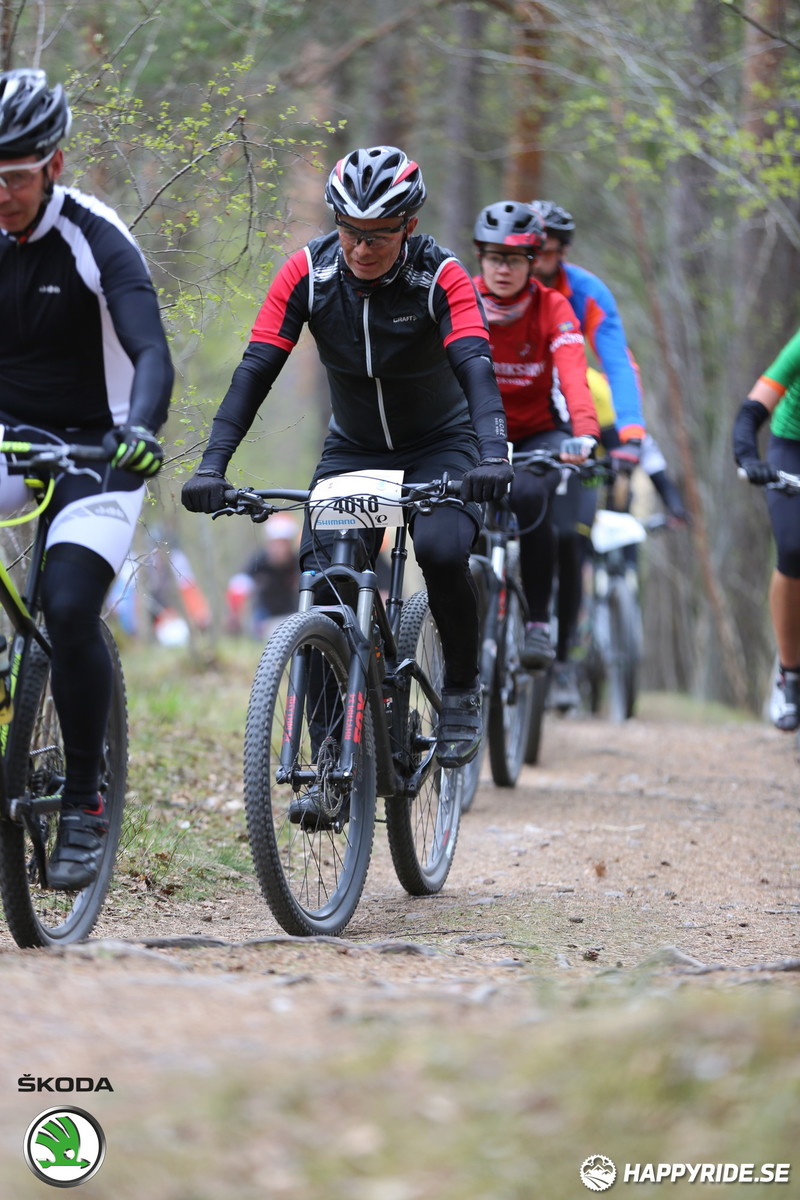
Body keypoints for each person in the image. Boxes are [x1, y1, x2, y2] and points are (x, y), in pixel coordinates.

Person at [182, 145, 513, 818]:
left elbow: (477, 367)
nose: (362, 248)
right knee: (327, 586)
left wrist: (492, 454)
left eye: (379, 236)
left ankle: (463, 688)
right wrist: (213, 464)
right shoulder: (308, 272)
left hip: (440, 444)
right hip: (354, 448)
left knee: (446, 550)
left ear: (408, 228)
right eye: (350, 231)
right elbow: (255, 370)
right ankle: (332, 762)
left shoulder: (440, 275)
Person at [0, 69, 174, 887]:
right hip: (9, 441)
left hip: (97, 448)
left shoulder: (97, 238)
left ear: (54, 165)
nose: (1, 192)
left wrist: (139, 431)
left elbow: (150, 353)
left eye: (15, 176)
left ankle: (82, 798)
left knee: (67, 608)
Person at [529, 199, 649, 708]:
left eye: (548, 252)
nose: (536, 261)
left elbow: (619, 364)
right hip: (512, 423)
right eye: (529, 251)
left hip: (576, 430)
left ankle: (559, 662)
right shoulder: (494, 283)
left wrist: (631, 433)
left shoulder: (586, 293)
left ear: (563, 250)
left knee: (567, 539)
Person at [471, 200, 599, 673]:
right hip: (476, 433)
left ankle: (538, 624)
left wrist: (584, 434)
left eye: (515, 259)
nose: (502, 269)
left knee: (527, 494)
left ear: (533, 262)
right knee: (460, 509)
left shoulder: (553, 306)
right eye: (493, 257)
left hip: (538, 435)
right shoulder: (462, 298)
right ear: (480, 257)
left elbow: (572, 373)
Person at [733, 328, 800, 731]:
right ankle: (790, 675)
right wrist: (747, 456)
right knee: (793, 549)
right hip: (792, 445)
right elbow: (752, 410)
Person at [227, 511, 300, 638]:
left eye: (284, 543)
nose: (279, 548)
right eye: (276, 542)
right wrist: (234, 615)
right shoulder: (258, 563)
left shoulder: (298, 563)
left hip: (291, 615)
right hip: (263, 617)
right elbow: (239, 585)